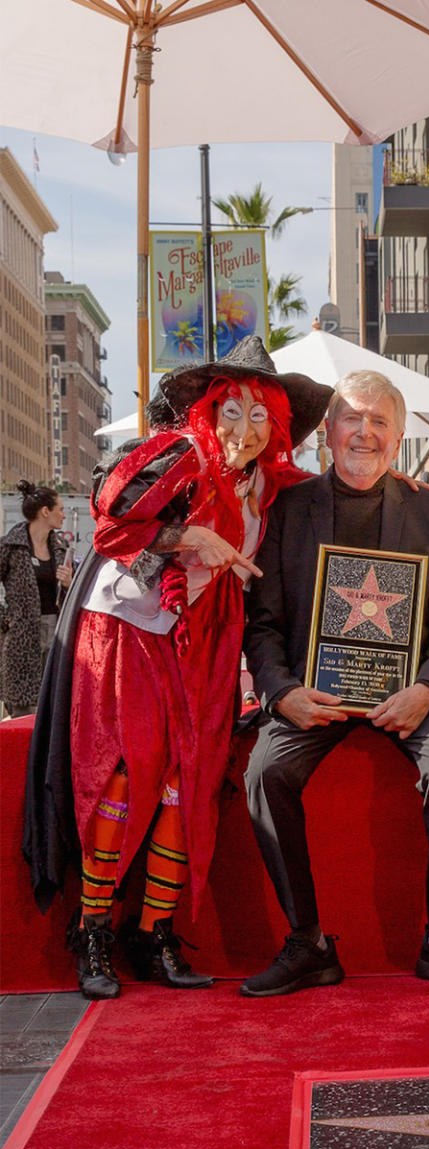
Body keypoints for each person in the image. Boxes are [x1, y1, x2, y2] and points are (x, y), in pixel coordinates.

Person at [23, 336, 332, 1000]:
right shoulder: (176, 457)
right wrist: (188, 534)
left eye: (260, 417)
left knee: (184, 785)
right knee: (125, 773)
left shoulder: (265, 483)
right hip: (130, 631)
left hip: (206, 639)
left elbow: (328, 491)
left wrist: (402, 485)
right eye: (232, 410)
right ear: (207, 412)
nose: (244, 430)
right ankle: (95, 930)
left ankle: (154, 932)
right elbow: (109, 523)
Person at [241, 369, 429, 996]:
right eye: (353, 418)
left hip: (410, 691)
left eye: (380, 421)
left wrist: (428, 688)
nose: (365, 432)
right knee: (263, 774)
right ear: (328, 432)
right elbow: (264, 623)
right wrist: (281, 692)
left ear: (399, 436)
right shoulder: (287, 510)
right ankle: (307, 943)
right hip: (316, 691)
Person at [0, 481, 73, 718]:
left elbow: (73, 596)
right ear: (45, 511)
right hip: (21, 636)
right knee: (23, 711)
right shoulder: (10, 547)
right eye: (59, 508)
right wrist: (6, 619)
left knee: (54, 704)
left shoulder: (61, 549)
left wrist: (68, 584)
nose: (63, 514)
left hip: (57, 632)